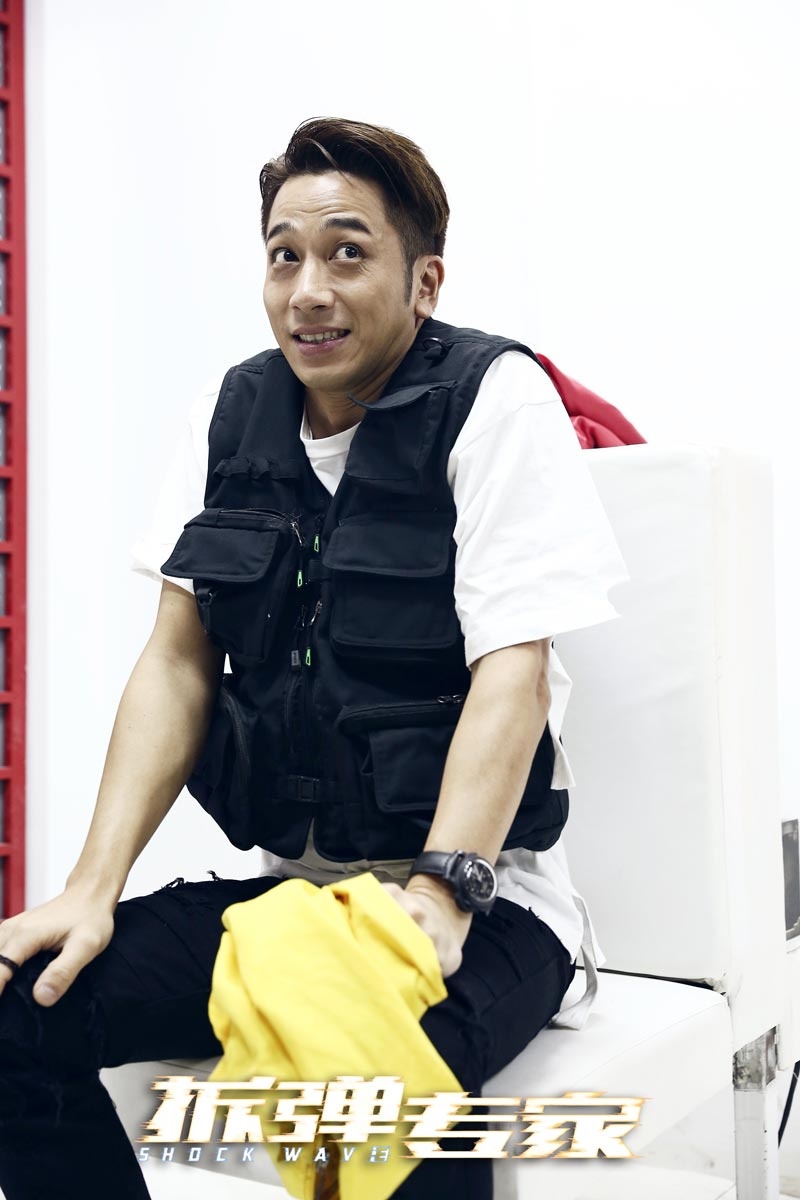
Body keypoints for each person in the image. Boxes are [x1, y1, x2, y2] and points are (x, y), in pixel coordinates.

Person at [0, 118, 628, 1199]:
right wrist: (90, 891)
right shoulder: (232, 413)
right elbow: (176, 665)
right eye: (283, 255)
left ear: (423, 281)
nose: (308, 290)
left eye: (347, 253)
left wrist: (443, 894)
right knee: (21, 1012)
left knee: (378, 1088)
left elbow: (512, 674)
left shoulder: (494, 398)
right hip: (298, 901)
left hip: (493, 906)